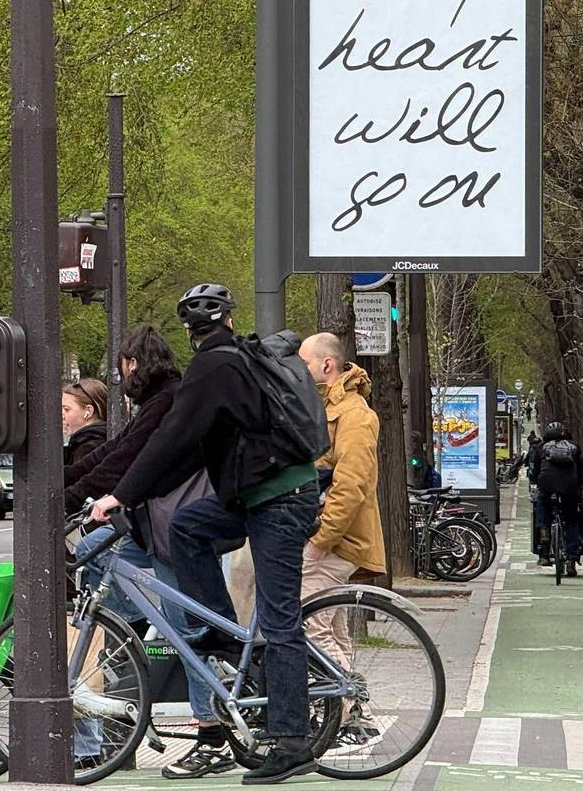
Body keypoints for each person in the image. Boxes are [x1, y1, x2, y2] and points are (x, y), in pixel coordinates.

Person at [90, 283, 322, 785]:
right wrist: (136, 492)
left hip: (279, 501)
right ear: (230, 321)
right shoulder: (232, 361)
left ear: (191, 332)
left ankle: (292, 742)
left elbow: (170, 440)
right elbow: (190, 450)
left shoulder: (212, 367)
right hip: (259, 497)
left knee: (281, 622)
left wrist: (121, 495)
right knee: (190, 525)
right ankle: (219, 630)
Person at [63, 329, 229, 775]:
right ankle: (120, 629)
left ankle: (212, 732)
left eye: (123, 367)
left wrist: (69, 494)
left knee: (185, 633)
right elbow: (117, 450)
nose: (120, 377)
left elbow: (126, 461)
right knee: (95, 552)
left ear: (134, 363)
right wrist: (62, 480)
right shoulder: (155, 403)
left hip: (172, 531)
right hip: (147, 527)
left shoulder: (167, 402)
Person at [297, 333, 385, 750]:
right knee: (332, 623)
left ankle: (348, 710)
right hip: (338, 538)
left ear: (327, 366)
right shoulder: (336, 409)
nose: (301, 369)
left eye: (306, 362)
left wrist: (320, 539)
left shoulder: (354, 415)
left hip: (338, 540)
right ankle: (355, 713)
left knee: (311, 622)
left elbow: (352, 485)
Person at [535, 422, 583, 574]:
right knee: (571, 520)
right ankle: (571, 558)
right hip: (569, 487)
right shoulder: (574, 447)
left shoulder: (542, 448)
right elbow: (582, 470)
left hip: (547, 484)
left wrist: (535, 480)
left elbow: (535, 471)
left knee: (542, 502)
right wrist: (581, 484)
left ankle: (544, 536)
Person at [63, 379, 109, 465]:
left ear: (89, 411)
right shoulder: (82, 443)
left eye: (66, 409)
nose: (62, 415)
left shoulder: (89, 448)